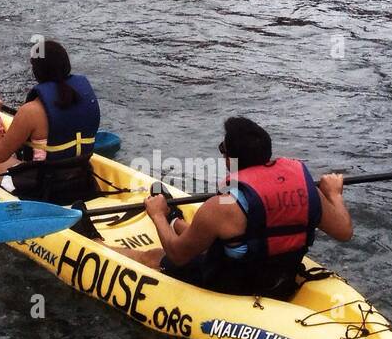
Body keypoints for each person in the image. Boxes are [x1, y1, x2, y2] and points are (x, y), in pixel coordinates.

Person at [116, 115, 352, 300]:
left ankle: (98, 244)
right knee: (226, 236)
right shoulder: (305, 189)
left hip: (234, 284)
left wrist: (156, 214)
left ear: (231, 159)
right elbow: (344, 231)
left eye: (223, 149)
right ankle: (175, 221)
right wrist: (333, 194)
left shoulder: (221, 206)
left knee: (154, 255)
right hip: (282, 276)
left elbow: (177, 255)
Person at [0, 41, 103, 232]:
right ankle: (3, 137)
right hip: (82, 180)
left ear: (37, 73)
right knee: (25, 153)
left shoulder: (31, 111)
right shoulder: (85, 96)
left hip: (44, 191)